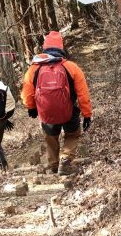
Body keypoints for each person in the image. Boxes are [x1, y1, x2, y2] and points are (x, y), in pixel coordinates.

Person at [21, 31, 92, 175]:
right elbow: (83, 93)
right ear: (61, 47)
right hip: (69, 111)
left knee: (50, 138)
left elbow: (26, 92)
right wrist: (87, 114)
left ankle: (54, 165)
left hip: (47, 112)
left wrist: (31, 107)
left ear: (45, 47)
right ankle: (65, 159)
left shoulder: (34, 68)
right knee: (72, 135)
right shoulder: (71, 67)